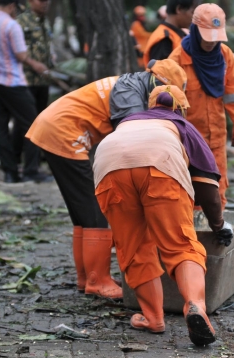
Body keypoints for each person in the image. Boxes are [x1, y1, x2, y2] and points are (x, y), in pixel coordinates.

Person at [26, 59, 187, 299]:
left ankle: (86, 278)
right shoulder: (130, 95)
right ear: (159, 84)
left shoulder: (132, 85)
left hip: (56, 127)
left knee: (83, 213)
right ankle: (97, 280)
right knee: (95, 211)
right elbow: (132, 138)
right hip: (64, 132)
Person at [93, 85, 233, 346]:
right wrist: (218, 224)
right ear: (181, 109)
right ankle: (195, 305)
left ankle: (154, 318)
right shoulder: (182, 125)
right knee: (180, 245)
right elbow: (208, 187)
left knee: (134, 249)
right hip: (160, 167)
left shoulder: (127, 122)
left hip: (109, 165)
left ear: (150, 106)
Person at [169, 3, 234, 209]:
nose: (211, 42)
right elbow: (166, 108)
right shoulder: (177, 60)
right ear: (195, 30)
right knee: (189, 195)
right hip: (187, 143)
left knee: (217, 194)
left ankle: (215, 235)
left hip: (216, 140)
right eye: (207, 36)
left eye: (216, 36)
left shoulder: (225, 56)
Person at [0, 0, 50, 184]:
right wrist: (37, 65)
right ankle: (31, 170)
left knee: (0, 128)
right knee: (33, 124)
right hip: (12, 82)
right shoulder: (11, 25)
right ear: (11, 6)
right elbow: (21, 54)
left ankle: (11, 173)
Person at [17, 0, 54, 115]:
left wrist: (51, 57)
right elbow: (15, 50)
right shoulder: (21, 22)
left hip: (43, 80)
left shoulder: (45, 21)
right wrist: (33, 64)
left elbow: (46, 44)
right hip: (27, 80)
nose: (45, 3)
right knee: (26, 120)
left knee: (41, 117)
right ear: (30, 1)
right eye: (41, 1)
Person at [143, 0, 199, 65]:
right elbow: (160, 72)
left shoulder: (177, 33)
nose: (193, 17)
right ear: (179, 9)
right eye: (192, 12)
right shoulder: (164, 38)